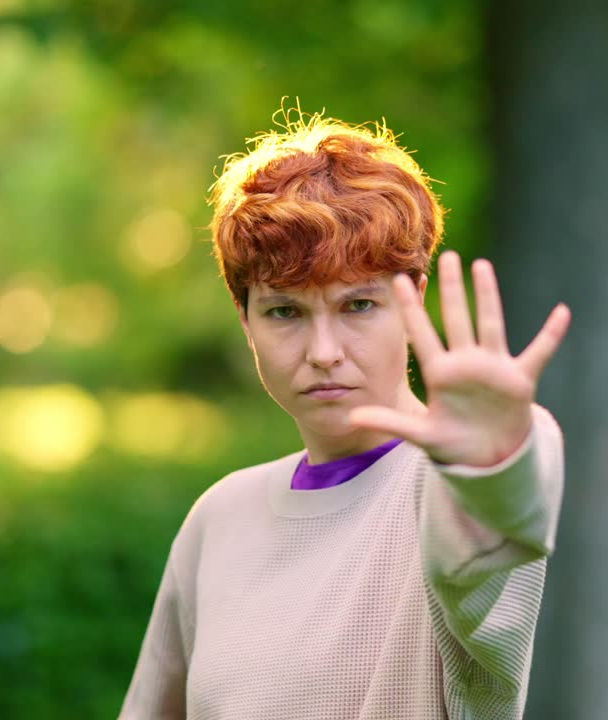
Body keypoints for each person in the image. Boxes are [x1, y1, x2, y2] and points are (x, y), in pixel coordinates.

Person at [119, 109, 571, 720]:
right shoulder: (218, 518)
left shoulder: (448, 489)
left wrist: (489, 465)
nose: (324, 352)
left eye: (358, 305)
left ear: (413, 306)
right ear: (245, 321)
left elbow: (493, 550)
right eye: (284, 312)